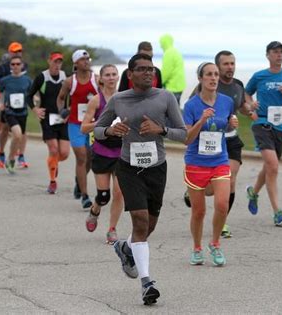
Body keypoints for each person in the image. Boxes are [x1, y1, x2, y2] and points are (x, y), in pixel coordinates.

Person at [94, 53, 186, 305]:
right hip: (128, 167)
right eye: (142, 69)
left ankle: (126, 248)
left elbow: (184, 134)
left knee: (148, 227)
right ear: (131, 74)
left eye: (151, 69)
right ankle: (147, 283)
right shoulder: (119, 99)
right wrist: (111, 130)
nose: (148, 73)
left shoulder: (165, 97)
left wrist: (161, 130)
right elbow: (97, 130)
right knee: (140, 219)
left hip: (156, 167)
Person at [184, 50, 254, 238]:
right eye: (225, 64)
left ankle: (221, 226)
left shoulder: (234, 90)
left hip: (227, 144)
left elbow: (237, 108)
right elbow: (188, 130)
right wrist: (200, 120)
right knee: (205, 198)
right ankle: (194, 190)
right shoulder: (197, 97)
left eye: (232, 63)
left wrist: (244, 114)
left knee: (229, 181)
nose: (229, 67)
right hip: (201, 149)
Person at [183, 62, 238, 266]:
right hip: (196, 162)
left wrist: (231, 124)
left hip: (220, 160)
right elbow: (187, 138)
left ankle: (215, 244)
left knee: (222, 205)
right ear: (200, 78)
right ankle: (197, 247)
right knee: (199, 211)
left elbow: (226, 124)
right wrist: (201, 120)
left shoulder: (226, 101)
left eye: (216, 74)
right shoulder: (191, 106)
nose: (214, 78)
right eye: (209, 75)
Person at [244, 41, 282, 226]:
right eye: (275, 52)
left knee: (271, 166)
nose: (279, 55)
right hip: (262, 124)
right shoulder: (260, 76)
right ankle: (277, 212)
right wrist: (250, 107)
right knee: (273, 165)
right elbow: (245, 94)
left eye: (281, 52)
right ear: (268, 55)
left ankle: (253, 192)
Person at [81, 64, 123, 244]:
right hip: (102, 151)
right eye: (108, 75)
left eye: (114, 74)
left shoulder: (125, 99)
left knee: (119, 193)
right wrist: (100, 123)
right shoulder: (96, 101)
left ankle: (112, 229)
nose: (111, 78)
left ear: (118, 77)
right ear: (102, 79)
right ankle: (95, 210)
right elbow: (84, 127)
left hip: (122, 152)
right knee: (104, 196)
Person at [57, 49, 98, 209]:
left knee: (90, 158)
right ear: (76, 63)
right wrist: (62, 110)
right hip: (75, 124)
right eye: (82, 59)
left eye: (88, 59)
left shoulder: (96, 80)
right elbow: (60, 99)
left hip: (93, 124)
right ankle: (85, 196)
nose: (86, 61)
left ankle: (78, 182)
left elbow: (105, 97)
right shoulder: (69, 82)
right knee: (81, 157)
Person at [27, 51, 69, 194]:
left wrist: (69, 111)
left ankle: (54, 163)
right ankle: (52, 181)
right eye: (55, 61)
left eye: (60, 62)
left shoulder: (65, 77)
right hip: (47, 119)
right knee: (53, 149)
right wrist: (35, 110)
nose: (57, 64)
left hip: (63, 119)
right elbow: (29, 95)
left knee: (64, 153)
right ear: (49, 62)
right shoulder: (42, 77)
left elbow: (72, 95)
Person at [0, 41, 29, 169]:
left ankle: (20, 155)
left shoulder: (25, 67)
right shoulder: (3, 67)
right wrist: (0, 102)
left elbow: (28, 86)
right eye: (15, 51)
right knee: (4, 128)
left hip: (21, 106)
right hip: (8, 107)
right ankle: (2, 152)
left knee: (22, 132)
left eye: (19, 51)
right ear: (9, 52)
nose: (18, 53)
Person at [159, 34, 186, 104]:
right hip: (179, 85)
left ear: (164, 43)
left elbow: (166, 72)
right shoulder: (176, 52)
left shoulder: (168, 53)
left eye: (161, 43)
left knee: (170, 109)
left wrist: (159, 83)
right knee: (176, 106)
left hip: (172, 86)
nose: (160, 46)